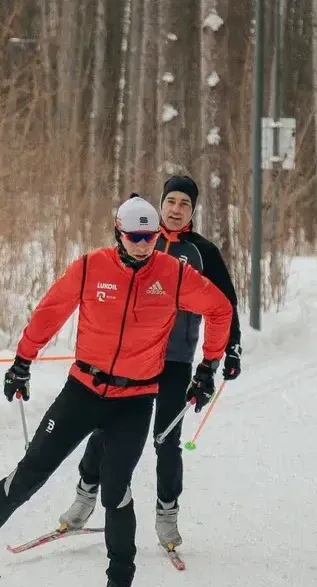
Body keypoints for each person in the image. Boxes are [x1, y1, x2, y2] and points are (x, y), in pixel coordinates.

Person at [0, 195, 233, 587]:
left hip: (135, 400)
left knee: (117, 492)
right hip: (83, 390)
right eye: (134, 236)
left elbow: (220, 308)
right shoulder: (90, 267)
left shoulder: (173, 274)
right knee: (29, 474)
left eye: (150, 237)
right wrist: (22, 362)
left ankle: (119, 585)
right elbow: (50, 312)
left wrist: (208, 366)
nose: (143, 245)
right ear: (118, 232)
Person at [57, 175, 244, 551]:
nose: (176, 210)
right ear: (160, 204)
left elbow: (224, 303)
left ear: (193, 211)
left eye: (185, 204)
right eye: (171, 201)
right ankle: (84, 498)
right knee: (105, 429)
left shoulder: (202, 251)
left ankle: (167, 517)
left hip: (175, 359)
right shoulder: (140, 239)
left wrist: (229, 350)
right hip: (133, 358)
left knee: (166, 439)